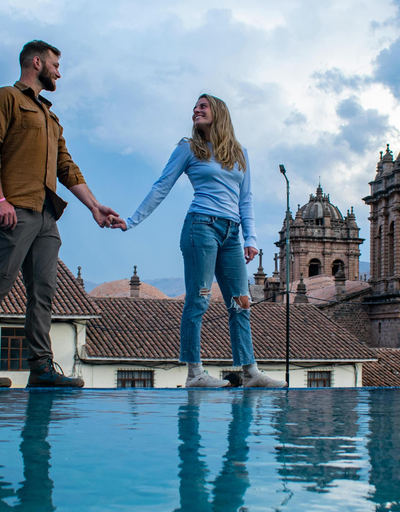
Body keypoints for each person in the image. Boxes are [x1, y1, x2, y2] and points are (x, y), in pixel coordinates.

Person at [0, 40, 119, 388]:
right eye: (55, 65)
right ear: (36, 62)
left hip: (46, 216)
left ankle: (41, 369)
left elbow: (66, 166)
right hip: (13, 210)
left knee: (44, 291)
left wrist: (94, 206)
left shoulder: (50, 116)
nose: (59, 72)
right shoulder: (6, 98)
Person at [112, 94, 287, 388]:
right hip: (201, 228)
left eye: (202, 106)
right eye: (194, 107)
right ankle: (195, 373)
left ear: (218, 112)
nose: (196, 110)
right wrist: (131, 221)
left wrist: (251, 238)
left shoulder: (240, 153)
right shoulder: (188, 148)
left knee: (241, 303)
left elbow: (246, 198)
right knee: (199, 300)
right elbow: (162, 185)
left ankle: (250, 371)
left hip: (231, 234)